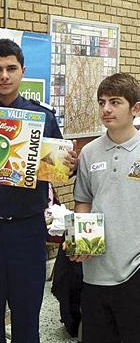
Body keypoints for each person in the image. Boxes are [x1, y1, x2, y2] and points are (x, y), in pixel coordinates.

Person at [0, 38, 77, 343]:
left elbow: (59, 170)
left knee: (27, 319)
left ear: (23, 70)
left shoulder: (44, 117)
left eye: (11, 68)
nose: (5, 76)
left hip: (28, 230)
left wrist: (69, 164)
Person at [73, 72, 140, 343]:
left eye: (115, 102)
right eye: (102, 102)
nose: (106, 109)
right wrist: (81, 241)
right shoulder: (89, 152)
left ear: (136, 108)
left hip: (135, 268)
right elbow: (83, 201)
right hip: (95, 272)